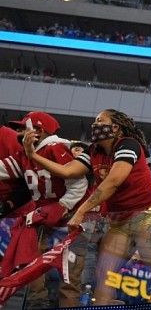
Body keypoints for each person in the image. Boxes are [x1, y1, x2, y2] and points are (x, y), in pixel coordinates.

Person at [22, 109, 151, 305]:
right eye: (95, 122)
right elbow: (67, 171)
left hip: (147, 212)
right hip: (118, 218)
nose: (95, 125)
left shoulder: (128, 144)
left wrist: (82, 210)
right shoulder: (93, 150)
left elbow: (114, 181)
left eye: (100, 121)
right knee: (104, 275)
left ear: (115, 127)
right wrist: (33, 155)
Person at [0, 112, 88, 308]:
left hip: (70, 219)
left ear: (38, 131)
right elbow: (5, 168)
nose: (19, 133)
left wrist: (62, 205)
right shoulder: (26, 154)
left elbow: (79, 183)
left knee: (68, 278)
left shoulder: (57, 148)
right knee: (32, 272)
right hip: (41, 220)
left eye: (23, 128)